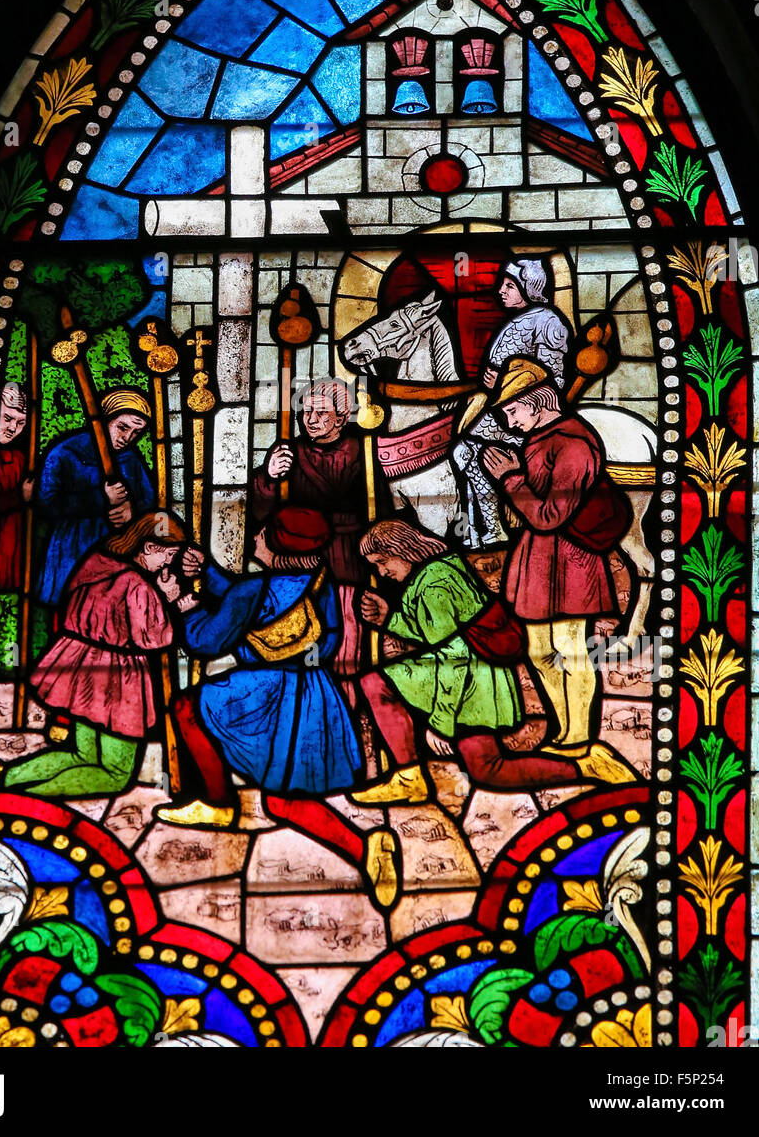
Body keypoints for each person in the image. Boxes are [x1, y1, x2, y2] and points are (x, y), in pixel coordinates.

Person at [156, 506, 401, 912]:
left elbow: (207, 640)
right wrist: (209, 573)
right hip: (315, 694)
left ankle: (217, 803)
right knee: (282, 799)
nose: (255, 537)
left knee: (187, 706)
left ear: (273, 544)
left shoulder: (252, 591)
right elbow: (327, 637)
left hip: (265, 694)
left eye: (261, 532)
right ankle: (365, 848)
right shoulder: (318, 581)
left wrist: (181, 600)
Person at [350, 519, 590, 802]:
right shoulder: (440, 569)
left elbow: (454, 657)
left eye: (382, 561)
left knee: (376, 683)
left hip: (469, 682)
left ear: (401, 550)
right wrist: (389, 619)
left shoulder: (433, 587)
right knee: (488, 771)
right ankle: (578, 771)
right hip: (482, 679)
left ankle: (411, 777)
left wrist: (440, 723)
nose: (382, 571)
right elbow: (436, 633)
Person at [480, 357, 637, 783]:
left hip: (570, 560)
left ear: (537, 400)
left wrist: (511, 479)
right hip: (540, 559)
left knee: (569, 646)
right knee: (539, 649)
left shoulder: (572, 444)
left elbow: (551, 514)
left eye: (512, 410)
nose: (509, 421)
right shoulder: (540, 440)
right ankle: (564, 727)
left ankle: (580, 736)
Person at [1, 511, 188, 796]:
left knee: (80, 755)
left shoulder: (95, 564)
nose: (169, 563)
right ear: (149, 547)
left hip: (78, 667)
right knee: (116, 775)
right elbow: (153, 637)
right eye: (169, 554)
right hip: (117, 680)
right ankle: (23, 795)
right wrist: (169, 598)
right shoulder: (137, 586)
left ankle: (9, 778)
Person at [253, 379, 375, 676]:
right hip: (297, 561)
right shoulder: (290, 452)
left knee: (347, 632)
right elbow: (257, 510)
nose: (310, 420)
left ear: (342, 417)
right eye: (305, 412)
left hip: (349, 557)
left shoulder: (364, 451)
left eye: (321, 413)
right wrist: (268, 477)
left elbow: (382, 506)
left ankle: (346, 690)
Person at [453, 259, 572, 546]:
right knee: (462, 453)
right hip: (505, 405)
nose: (501, 291)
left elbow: (552, 375)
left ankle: (494, 530)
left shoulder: (548, 321)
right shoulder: (519, 320)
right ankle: (477, 531)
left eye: (510, 285)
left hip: (529, 410)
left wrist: (507, 382)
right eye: (503, 285)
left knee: (472, 452)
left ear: (529, 288)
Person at [35, 387, 154, 608]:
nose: (127, 438)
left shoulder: (131, 459)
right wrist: (100, 497)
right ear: (104, 420)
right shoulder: (66, 452)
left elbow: (151, 502)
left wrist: (132, 510)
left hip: (115, 546)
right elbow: (46, 503)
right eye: (122, 427)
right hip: (71, 547)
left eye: (137, 433)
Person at [0, 383, 33, 590]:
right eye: (7, 418)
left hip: (13, 554)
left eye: (20, 423)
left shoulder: (19, 461)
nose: (12, 429)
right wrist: (19, 497)